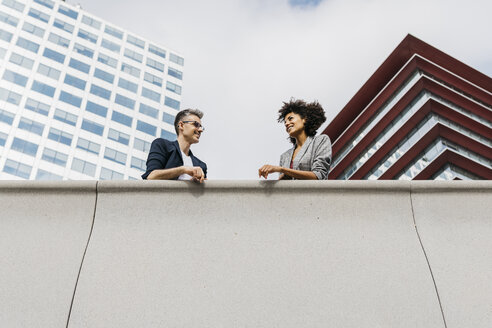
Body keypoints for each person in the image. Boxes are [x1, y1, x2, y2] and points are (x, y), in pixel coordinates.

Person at [258, 99, 331, 180]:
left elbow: (319, 176)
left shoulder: (320, 141)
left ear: (304, 119)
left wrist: (282, 170)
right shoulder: (285, 156)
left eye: (290, 118)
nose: (286, 123)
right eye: (285, 122)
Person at [142, 109, 207, 182]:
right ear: (181, 125)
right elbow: (151, 176)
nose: (200, 130)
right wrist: (183, 170)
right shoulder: (162, 145)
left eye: (201, 127)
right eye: (196, 125)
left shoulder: (201, 166)